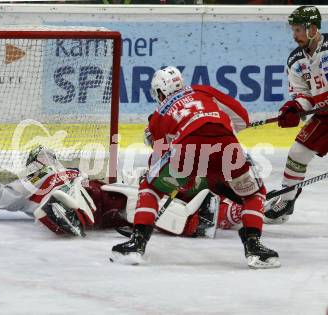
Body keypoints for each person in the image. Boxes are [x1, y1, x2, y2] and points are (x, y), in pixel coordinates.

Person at [110, 66, 280, 269]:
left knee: (149, 188)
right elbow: (242, 118)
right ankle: (254, 247)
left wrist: (163, 182)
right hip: (226, 144)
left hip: (187, 149)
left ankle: (137, 244)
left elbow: (158, 158)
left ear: (160, 92)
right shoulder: (203, 90)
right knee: (254, 193)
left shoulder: (159, 115)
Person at [0, 144, 248, 239]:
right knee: (54, 202)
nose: (46, 157)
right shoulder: (29, 183)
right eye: (41, 156)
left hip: (100, 197)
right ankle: (66, 215)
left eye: (46, 155)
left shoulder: (72, 171)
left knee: (140, 198)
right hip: (74, 205)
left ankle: (211, 215)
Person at [264, 5, 328, 224]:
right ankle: (287, 199)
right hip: (325, 116)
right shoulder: (295, 61)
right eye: (293, 30)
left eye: (299, 30)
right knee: (297, 152)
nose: (295, 35)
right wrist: (294, 109)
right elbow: (303, 94)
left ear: (312, 28)